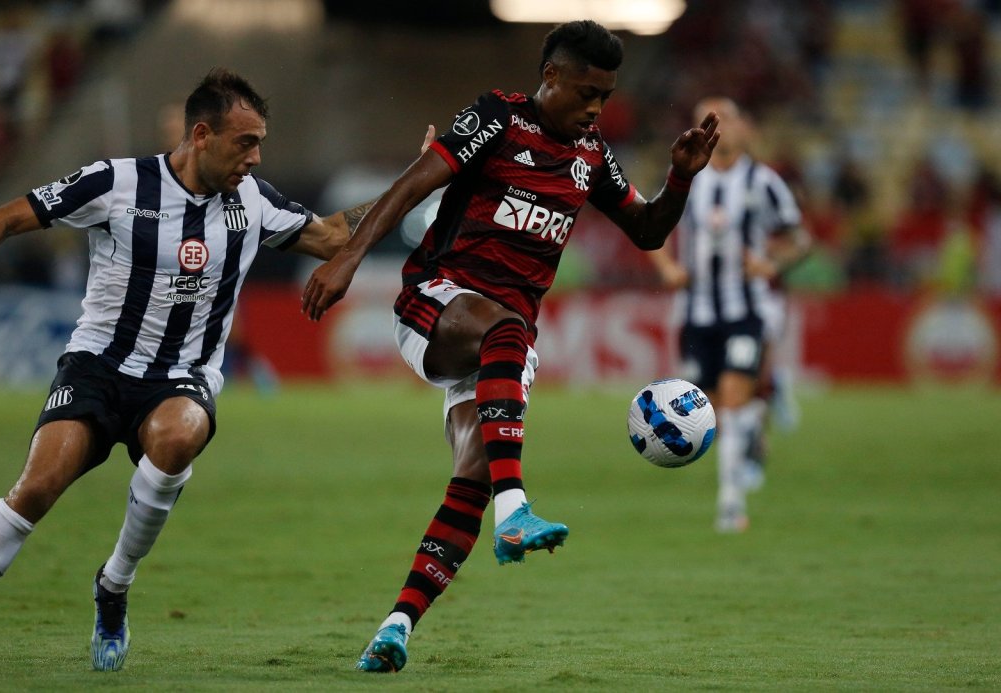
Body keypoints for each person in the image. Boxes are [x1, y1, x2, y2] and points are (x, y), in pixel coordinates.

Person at [301, 20, 719, 673]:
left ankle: (395, 627)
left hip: (504, 339)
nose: (595, 109)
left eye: (605, 97)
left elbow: (646, 231)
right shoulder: (497, 117)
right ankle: (517, 508)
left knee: (472, 470)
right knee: (505, 331)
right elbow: (413, 184)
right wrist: (350, 259)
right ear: (550, 76)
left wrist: (682, 179)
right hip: (438, 302)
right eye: (586, 92)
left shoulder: (590, 154)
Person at [0, 68, 417, 671]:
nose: (256, 158)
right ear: (202, 135)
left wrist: (415, 184)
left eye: (260, 143)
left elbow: (334, 235)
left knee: (179, 433)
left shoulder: (253, 202)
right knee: (36, 489)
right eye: (245, 142)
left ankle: (114, 585)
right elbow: (3, 219)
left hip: (181, 377)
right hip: (96, 369)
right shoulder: (116, 181)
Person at [650, 97, 809, 533]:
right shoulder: (683, 181)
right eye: (706, 120)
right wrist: (668, 268)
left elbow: (799, 237)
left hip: (747, 308)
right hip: (696, 311)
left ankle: (729, 503)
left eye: (726, 120)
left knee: (735, 395)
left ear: (742, 129)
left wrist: (771, 265)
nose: (717, 129)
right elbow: (650, 227)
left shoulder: (762, 181)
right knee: (713, 407)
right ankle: (755, 429)